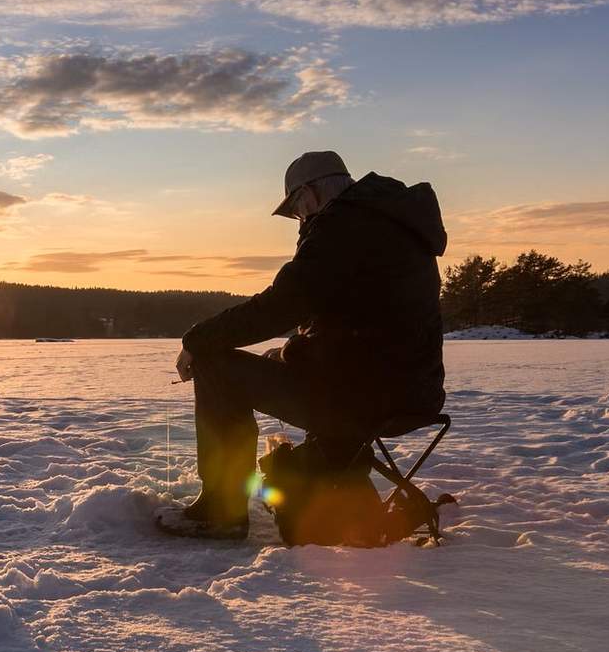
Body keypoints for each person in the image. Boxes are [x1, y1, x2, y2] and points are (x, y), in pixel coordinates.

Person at [165, 150, 447, 538]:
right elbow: (357, 322)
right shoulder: (392, 224)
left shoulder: (343, 226)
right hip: (412, 392)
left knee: (218, 367)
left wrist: (198, 338)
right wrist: (289, 353)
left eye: (296, 208)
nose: (299, 219)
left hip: (359, 399)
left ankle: (221, 510)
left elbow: (281, 306)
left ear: (310, 194)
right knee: (273, 360)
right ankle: (328, 481)